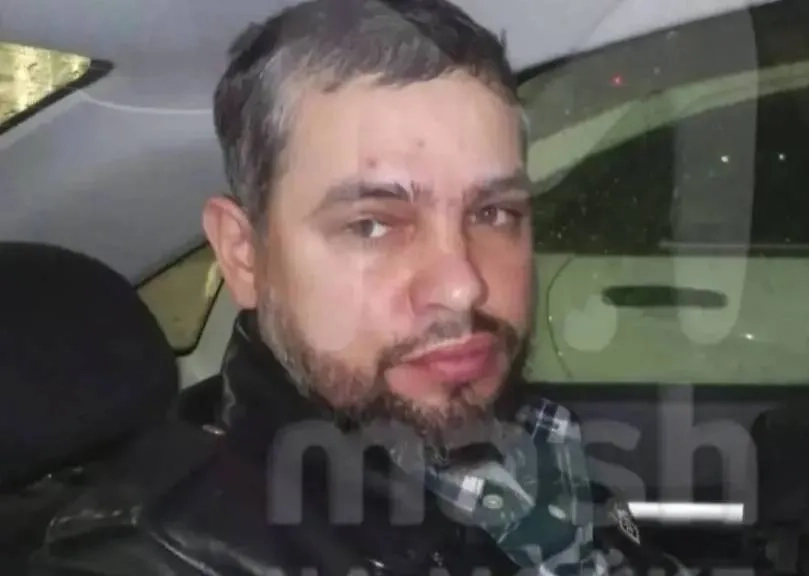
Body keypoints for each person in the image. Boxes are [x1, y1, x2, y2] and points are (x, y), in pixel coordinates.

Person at [29, 0, 689, 574]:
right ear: (244, 256)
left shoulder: (525, 432)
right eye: (372, 224)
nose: (463, 287)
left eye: (493, 212)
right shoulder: (158, 557)